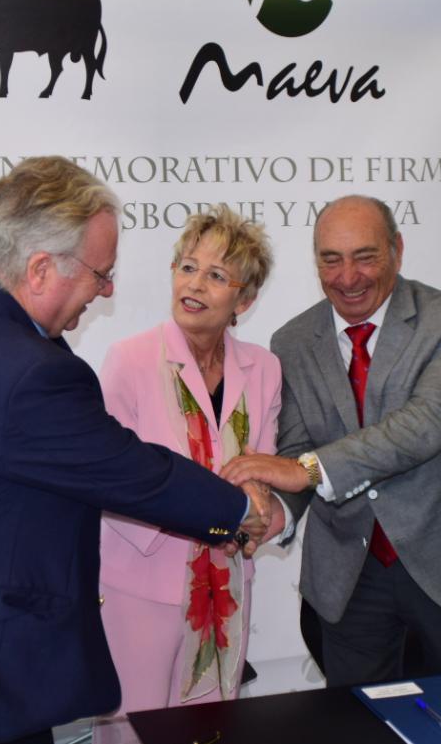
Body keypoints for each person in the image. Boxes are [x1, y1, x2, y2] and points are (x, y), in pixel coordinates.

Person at [0, 157, 269, 744]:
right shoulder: (28, 373)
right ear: (41, 268)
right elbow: (132, 472)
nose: (108, 290)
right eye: (101, 273)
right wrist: (238, 510)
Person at [222, 194, 441, 687]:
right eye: (331, 260)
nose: (348, 277)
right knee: (359, 720)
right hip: (350, 574)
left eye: (365, 257)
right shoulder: (293, 341)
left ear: (397, 250)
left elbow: (424, 425)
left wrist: (304, 470)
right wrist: (274, 511)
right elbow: (294, 449)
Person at [94, 207, 280, 744]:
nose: (194, 284)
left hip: (226, 584)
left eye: (216, 276)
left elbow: (260, 472)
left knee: (209, 729)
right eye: (187, 267)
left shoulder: (264, 367)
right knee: (134, 731)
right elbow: (111, 479)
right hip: (140, 581)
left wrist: (252, 510)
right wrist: (212, 509)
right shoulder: (128, 359)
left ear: (243, 301)